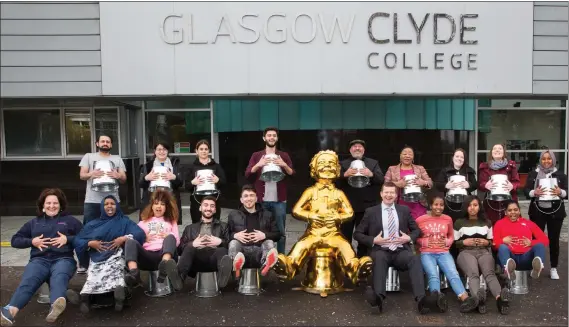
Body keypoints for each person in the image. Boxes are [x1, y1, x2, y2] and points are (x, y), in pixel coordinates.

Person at [1, 189, 83, 325]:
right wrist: (32, 241)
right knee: (28, 282)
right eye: (48, 203)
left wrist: (68, 239)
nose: (52, 206)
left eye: (55, 203)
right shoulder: (34, 223)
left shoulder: (70, 221)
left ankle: (55, 306)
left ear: (61, 205)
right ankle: (10, 312)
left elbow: (86, 238)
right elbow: (15, 240)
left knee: (59, 277)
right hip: (39, 260)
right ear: (42, 206)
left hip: (63, 259)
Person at [354, 182, 430, 314]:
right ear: (381, 194)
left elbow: (417, 230)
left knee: (414, 259)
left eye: (392, 193)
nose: (389, 195)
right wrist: (373, 240)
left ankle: (421, 300)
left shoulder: (404, 210)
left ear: (396, 195)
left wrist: (409, 238)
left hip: (400, 251)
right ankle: (378, 299)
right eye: (386, 192)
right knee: (379, 257)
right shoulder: (371, 212)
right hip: (380, 250)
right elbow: (357, 234)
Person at [73, 195, 145, 313]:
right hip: (97, 257)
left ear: (117, 206)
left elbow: (139, 233)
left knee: (116, 272)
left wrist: (124, 238)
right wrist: (90, 243)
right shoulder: (93, 224)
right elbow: (78, 240)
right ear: (102, 207)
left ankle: (117, 298)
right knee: (93, 276)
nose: (109, 206)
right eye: (106, 204)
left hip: (116, 254)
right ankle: (86, 299)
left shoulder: (124, 221)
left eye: (112, 203)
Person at [416, 195, 479, 313]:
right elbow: (414, 236)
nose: (439, 207)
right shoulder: (421, 219)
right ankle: (436, 299)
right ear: (430, 205)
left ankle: (465, 299)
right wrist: (423, 241)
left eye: (441, 205)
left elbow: (451, 235)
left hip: (443, 252)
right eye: (436, 204)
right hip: (427, 253)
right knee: (433, 274)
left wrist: (447, 242)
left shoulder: (447, 219)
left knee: (453, 273)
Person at [78, 134, 127, 273]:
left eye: (108, 142)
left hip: (113, 199)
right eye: (103, 141)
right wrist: (91, 174)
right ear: (97, 143)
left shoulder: (117, 159)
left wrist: (118, 175)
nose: (105, 143)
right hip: (92, 200)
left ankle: (115, 257)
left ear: (111, 144)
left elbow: (124, 178)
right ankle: (84, 262)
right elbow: (82, 175)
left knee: (116, 229)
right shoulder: (89, 156)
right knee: (88, 230)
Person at [454, 196, 510, 315]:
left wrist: (486, 242)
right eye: (469, 205)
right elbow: (454, 243)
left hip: (484, 251)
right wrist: (463, 242)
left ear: (479, 207)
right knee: (473, 274)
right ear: (465, 207)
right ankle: (478, 300)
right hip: (466, 252)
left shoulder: (487, 222)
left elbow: (491, 241)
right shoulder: (459, 223)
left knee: (490, 273)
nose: (472, 208)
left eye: (475, 205)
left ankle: (500, 299)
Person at [245, 126, 295, 254]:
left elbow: (292, 173)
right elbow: (247, 174)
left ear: (277, 138)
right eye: (269, 135)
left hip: (279, 201)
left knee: (281, 232)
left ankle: (281, 259)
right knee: (261, 231)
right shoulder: (257, 155)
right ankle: (263, 257)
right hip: (261, 201)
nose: (271, 137)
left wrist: (283, 164)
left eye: (274, 135)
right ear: (264, 138)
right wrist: (259, 165)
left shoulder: (283, 155)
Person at [124, 190, 183, 291]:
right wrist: (143, 237)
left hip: (164, 255)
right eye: (156, 203)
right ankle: (134, 274)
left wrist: (169, 235)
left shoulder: (171, 221)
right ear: (152, 206)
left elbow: (177, 242)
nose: (159, 206)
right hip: (147, 256)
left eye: (162, 204)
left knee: (171, 237)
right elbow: (132, 237)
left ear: (166, 208)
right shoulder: (143, 222)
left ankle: (164, 266)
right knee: (130, 241)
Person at [524, 150, 568, 280]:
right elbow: (526, 190)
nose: (546, 161)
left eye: (549, 159)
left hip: (556, 211)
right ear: (540, 160)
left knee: (554, 240)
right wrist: (533, 192)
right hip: (538, 210)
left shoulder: (561, 175)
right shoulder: (533, 174)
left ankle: (553, 268)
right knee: (536, 239)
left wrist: (561, 192)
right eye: (544, 159)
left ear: (553, 160)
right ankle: (535, 265)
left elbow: (567, 191)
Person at [338, 139, 384, 257]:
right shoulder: (342, 164)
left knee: (364, 237)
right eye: (354, 146)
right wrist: (344, 175)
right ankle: (347, 263)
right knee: (344, 237)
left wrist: (371, 174)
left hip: (366, 207)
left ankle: (363, 263)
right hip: (346, 207)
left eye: (360, 147)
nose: (357, 148)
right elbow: (333, 183)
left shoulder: (373, 163)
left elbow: (381, 180)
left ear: (364, 150)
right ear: (350, 150)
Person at [177, 196, 233, 288]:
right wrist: (193, 244)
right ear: (200, 208)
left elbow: (230, 245)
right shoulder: (190, 228)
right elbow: (180, 249)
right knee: (189, 247)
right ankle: (178, 279)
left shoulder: (223, 226)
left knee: (222, 250)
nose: (208, 208)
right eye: (205, 205)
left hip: (215, 260)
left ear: (215, 210)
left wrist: (220, 242)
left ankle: (221, 279)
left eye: (212, 206)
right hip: (196, 261)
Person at [227, 185, 281, 278]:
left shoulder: (267, 215)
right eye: (246, 196)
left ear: (256, 198)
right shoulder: (233, 215)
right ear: (241, 199)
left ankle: (266, 265)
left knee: (269, 242)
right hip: (241, 252)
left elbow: (278, 235)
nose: (249, 198)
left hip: (259, 252)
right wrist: (235, 235)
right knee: (233, 243)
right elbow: (225, 234)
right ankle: (236, 268)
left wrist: (265, 235)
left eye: (252, 195)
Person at [493, 200, 549, 281]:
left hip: (526, 258)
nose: (513, 212)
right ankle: (509, 270)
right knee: (502, 247)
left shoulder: (528, 223)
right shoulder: (499, 224)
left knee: (539, 245)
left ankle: (537, 268)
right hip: (509, 258)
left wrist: (531, 242)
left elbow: (545, 240)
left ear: (519, 211)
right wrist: (503, 240)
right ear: (505, 212)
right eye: (510, 210)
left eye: (515, 210)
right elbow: (494, 244)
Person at [139, 142, 183, 224]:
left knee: (169, 224)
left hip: (169, 200)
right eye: (159, 149)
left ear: (167, 151)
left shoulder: (175, 165)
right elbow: (140, 184)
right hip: (152, 200)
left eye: (164, 149)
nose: (162, 152)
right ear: (155, 151)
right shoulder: (147, 166)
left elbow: (181, 183)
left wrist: (174, 177)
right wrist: (146, 178)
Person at [384, 146, 433, 220]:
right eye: (404, 154)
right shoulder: (392, 169)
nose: (407, 156)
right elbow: (385, 183)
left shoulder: (420, 168)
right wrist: (397, 184)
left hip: (418, 205)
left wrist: (423, 182)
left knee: (418, 228)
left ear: (413, 157)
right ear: (400, 156)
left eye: (410, 154)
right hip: (399, 204)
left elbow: (430, 183)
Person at [477, 144, 520, 225]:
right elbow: (480, 184)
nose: (497, 150)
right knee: (492, 225)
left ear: (504, 152)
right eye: (495, 149)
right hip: (491, 203)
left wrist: (512, 186)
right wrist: (485, 185)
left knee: (510, 225)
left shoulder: (511, 166)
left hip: (509, 202)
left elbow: (517, 182)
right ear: (491, 152)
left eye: (500, 148)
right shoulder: (485, 167)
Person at [186, 139, 226, 223]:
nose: (203, 151)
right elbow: (186, 186)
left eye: (206, 149)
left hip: (214, 200)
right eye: (201, 149)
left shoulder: (216, 166)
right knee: (197, 225)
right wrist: (193, 182)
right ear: (196, 151)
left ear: (209, 151)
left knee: (214, 225)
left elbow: (224, 182)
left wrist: (218, 180)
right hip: (197, 202)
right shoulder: (191, 167)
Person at [434, 148, 478, 222]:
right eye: (457, 156)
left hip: (465, 204)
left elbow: (476, 185)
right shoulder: (445, 171)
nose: (459, 159)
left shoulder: (469, 171)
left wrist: (469, 185)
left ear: (464, 159)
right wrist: (445, 185)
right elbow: (437, 185)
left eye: (462, 157)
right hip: (449, 204)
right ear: (453, 158)